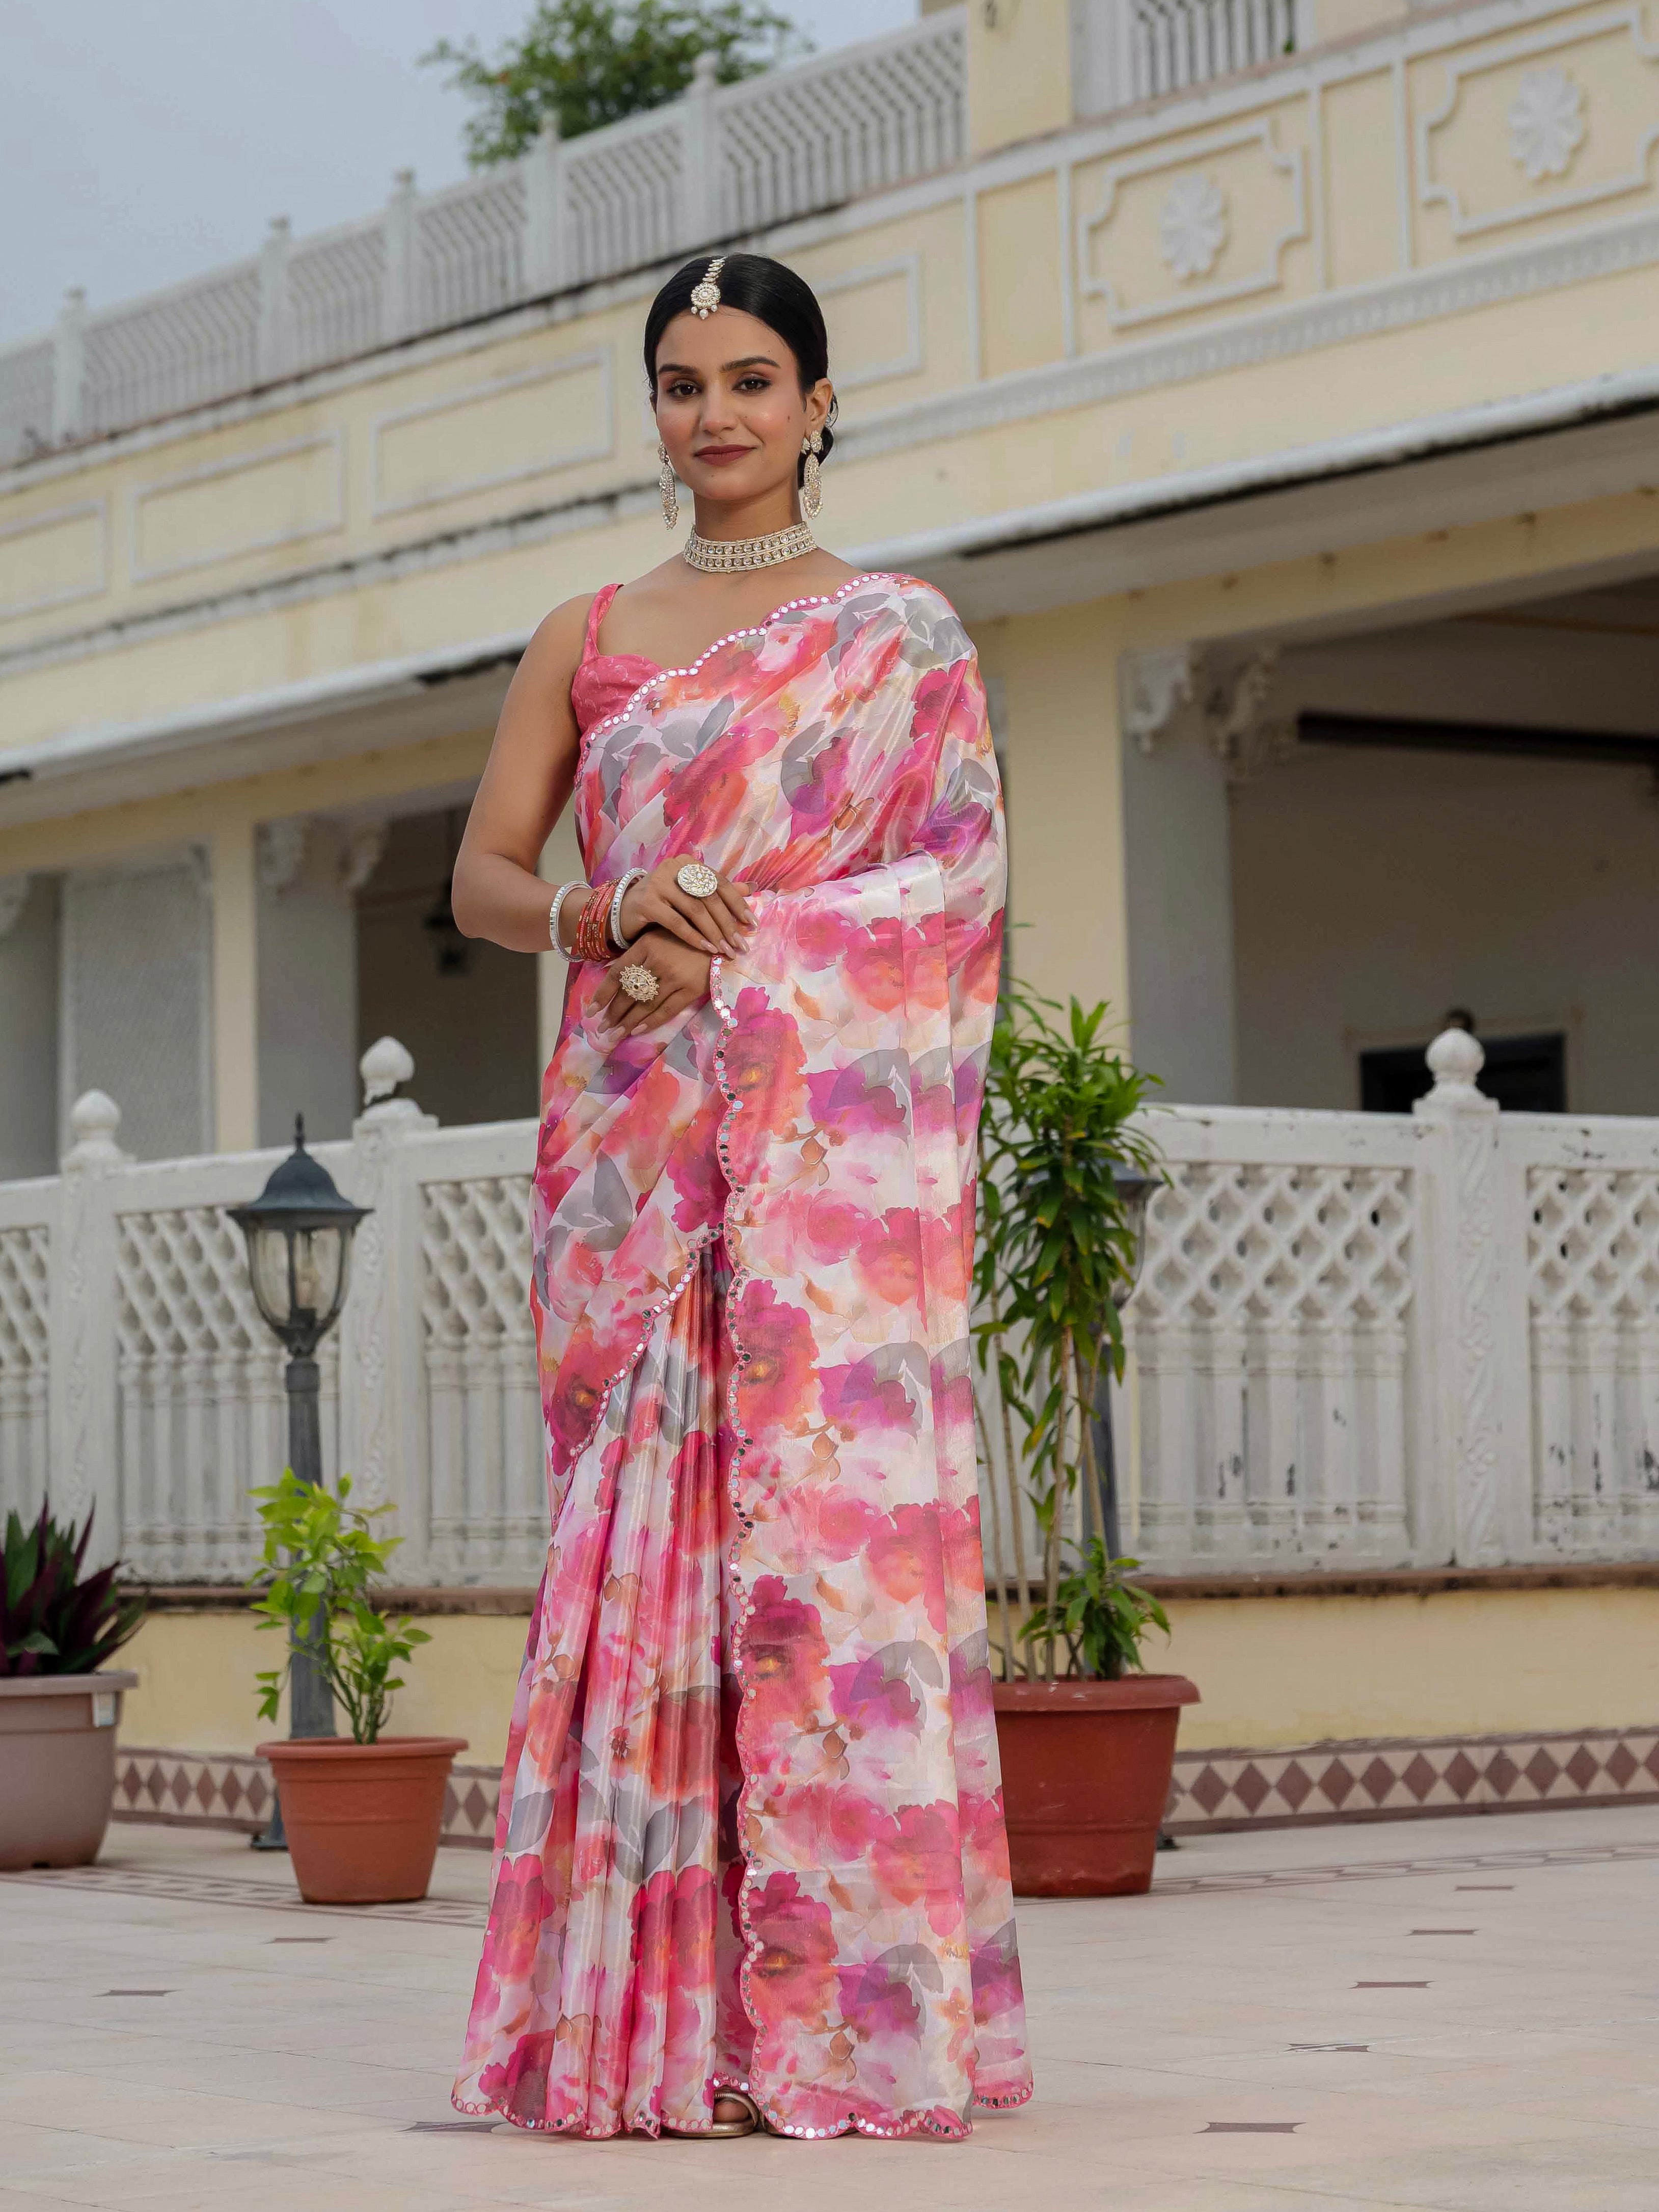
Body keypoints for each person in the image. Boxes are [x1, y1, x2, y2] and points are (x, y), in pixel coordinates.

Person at [448, 250, 1031, 2142]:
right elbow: (479, 880)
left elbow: (951, 891)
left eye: (754, 380)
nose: (717, 415)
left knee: (819, 1564)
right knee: (643, 1563)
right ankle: (650, 2026)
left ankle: (836, 2028)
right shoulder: (586, 627)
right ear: (656, 409)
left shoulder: (896, 638)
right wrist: (607, 915)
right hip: (629, 1145)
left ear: (820, 403)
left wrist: (752, 949)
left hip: (810, 1170)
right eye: (685, 383)